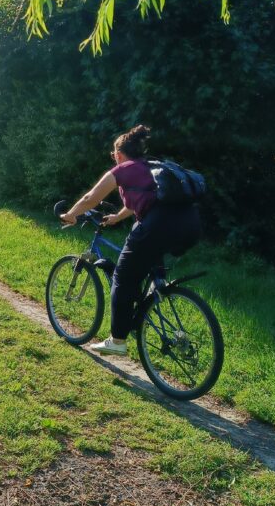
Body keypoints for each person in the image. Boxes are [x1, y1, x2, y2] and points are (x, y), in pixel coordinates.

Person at [59, 125, 201, 355]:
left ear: (119, 154)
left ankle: (117, 341)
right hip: (190, 224)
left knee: (122, 277)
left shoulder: (122, 169)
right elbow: (140, 200)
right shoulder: (151, 167)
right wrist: (117, 216)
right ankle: (152, 299)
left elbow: (90, 198)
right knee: (145, 265)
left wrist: (70, 215)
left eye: (114, 155)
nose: (114, 158)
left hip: (158, 225)